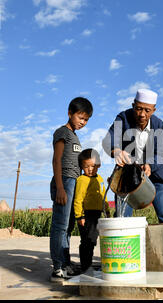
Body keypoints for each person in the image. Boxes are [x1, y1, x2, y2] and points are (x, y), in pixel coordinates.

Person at [102, 88, 163, 269]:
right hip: (128, 177)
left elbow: (162, 153)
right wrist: (116, 150)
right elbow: (109, 140)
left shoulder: (159, 125)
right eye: (138, 109)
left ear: (154, 110)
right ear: (133, 106)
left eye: (147, 110)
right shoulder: (123, 118)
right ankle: (122, 260)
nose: (142, 114)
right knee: (122, 217)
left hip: (155, 176)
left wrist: (150, 166)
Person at [49, 97, 93, 282]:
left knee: (68, 226)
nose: (82, 122)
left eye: (86, 120)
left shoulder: (75, 136)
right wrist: (60, 187)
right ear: (70, 113)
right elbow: (56, 160)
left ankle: (66, 263)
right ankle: (58, 268)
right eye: (80, 117)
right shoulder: (62, 132)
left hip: (73, 182)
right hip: (64, 181)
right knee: (60, 226)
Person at [74, 149, 110, 275]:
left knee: (94, 240)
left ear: (99, 165)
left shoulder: (99, 178)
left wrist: (107, 211)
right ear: (81, 167)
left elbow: (102, 195)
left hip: (97, 214)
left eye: (93, 166)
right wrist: (80, 216)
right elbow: (78, 199)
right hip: (86, 215)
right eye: (86, 166)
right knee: (87, 241)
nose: (90, 169)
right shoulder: (81, 180)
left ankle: (88, 265)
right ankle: (86, 267)